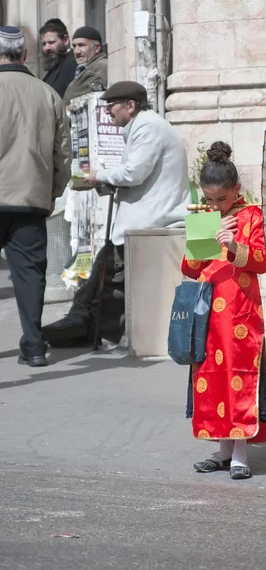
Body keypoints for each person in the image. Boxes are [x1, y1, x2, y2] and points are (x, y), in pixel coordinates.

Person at [43, 80, 191, 347]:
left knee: (110, 275)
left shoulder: (148, 129)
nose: (109, 112)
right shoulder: (144, 127)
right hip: (144, 216)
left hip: (151, 219)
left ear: (131, 106)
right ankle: (88, 325)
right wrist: (104, 182)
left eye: (112, 106)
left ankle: (88, 327)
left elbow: (134, 173)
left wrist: (99, 176)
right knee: (105, 271)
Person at [181, 142, 266, 480]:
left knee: (238, 377)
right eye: (209, 199)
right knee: (209, 379)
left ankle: (239, 453)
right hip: (206, 313)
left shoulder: (251, 216)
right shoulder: (205, 216)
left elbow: (262, 261)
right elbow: (192, 268)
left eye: (221, 199)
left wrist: (235, 246)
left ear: (236, 190)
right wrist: (195, 239)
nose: (215, 205)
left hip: (240, 314)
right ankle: (221, 449)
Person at [0, 26, 72, 367]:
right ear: (24, 54)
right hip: (31, 198)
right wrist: (52, 191)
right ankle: (32, 345)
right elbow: (63, 154)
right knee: (30, 275)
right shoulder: (48, 94)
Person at [63, 26, 107, 105]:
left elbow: (71, 98)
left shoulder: (98, 68)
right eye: (74, 46)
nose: (76, 51)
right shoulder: (88, 67)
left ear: (96, 48)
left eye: (81, 45)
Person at [40, 18, 77, 98]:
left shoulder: (73, 63)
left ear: (65, 40)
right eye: (44, 44)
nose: (47, 48)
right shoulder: (55, 66)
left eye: (51, 42)